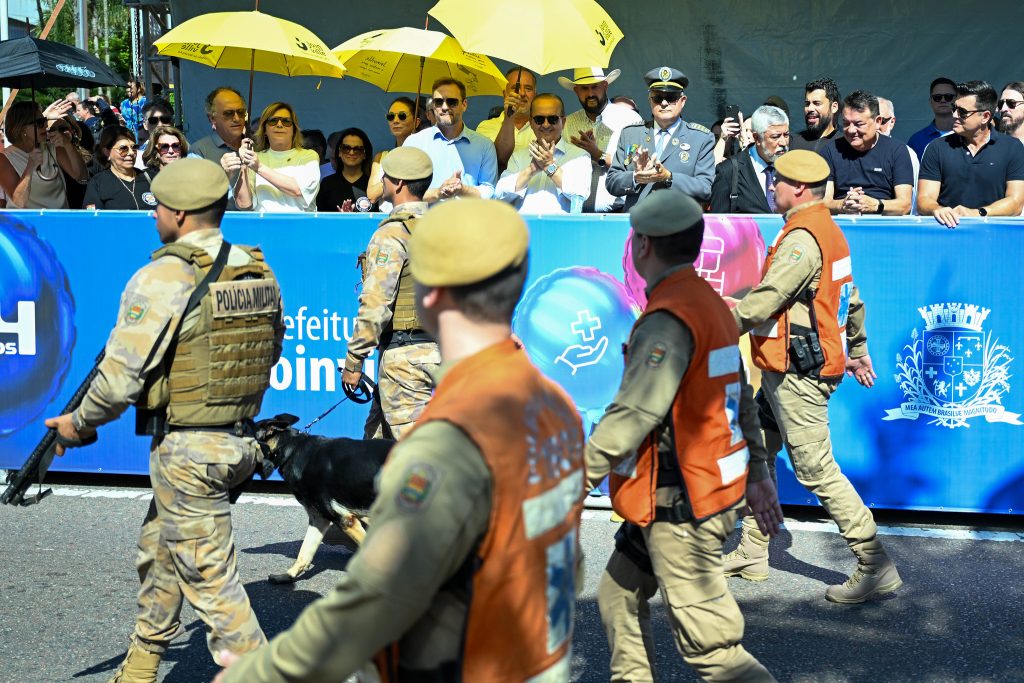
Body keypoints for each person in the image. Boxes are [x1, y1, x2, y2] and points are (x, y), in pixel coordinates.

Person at [216, 198, 585, 683]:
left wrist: (265, 670)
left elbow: (378, 587)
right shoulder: (557, 405)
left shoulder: (448, 433)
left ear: (428, 294)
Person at [45, 157, 284, 682]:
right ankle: (140, 667)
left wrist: (78, 424)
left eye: (157, 208)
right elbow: (270, 349)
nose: (155, 216)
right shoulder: (255, 267)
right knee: (163, 551)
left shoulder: (165, 273)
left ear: (176, 212)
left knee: (213, 586)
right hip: (238, 441)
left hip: (188, 451)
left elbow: (118, 380)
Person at [586, 190, 781, 682]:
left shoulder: (668, 317)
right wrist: (758, 473)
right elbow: (739, 397)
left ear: (642, 245)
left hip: (680, 501)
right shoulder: (712, 306)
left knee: (714, 652)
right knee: (619, 595)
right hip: (685, 491)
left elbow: (633, 414)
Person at [727, 149, 902, 604]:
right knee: (760, 450)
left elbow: (766, 300)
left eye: (777, 182)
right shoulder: (829, 230)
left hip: (796, 374)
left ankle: (875, 563)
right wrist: (857, 352)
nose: (771, 187)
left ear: (798, 189)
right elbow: (852, 299)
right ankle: (752, 550)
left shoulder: (802, 239)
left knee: (815, 469)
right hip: (782, 368)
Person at [340, 146, 439, 440]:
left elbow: (375, 304)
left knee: (413, 461)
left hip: (406, 358)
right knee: (376, 448)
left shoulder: (393, 233)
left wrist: (354, 361)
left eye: (385, 177)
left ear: (398, 184)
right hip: (444, 354)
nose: (381, 182)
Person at [917, 80, 1024, 227]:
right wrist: (938, 210)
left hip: (994, 237)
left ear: (985, 117)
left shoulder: (1012, 148)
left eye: (962, 112)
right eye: (954, 108)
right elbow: (924, 199)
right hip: (946, 231)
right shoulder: (936, 147)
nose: (954, 114)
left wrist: (977, 213)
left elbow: (1016, 202)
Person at [607, 66, 715, 210]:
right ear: (650, 100)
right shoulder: (631, 134)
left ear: (682, 101)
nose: (664, 103)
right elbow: (612, 182)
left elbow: (705, 188)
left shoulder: (700, 138)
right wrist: (635, 177)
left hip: (679, 224)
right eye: (658, 98)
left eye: (671, 98)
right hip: (639, 223)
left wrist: (669, 177)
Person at [560, 66, 643, 212]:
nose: (590, 93)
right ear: (576, 90)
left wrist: (598, 155)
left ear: (605, 86)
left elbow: (632, 165)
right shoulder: (568, 123)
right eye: (584, 88)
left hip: (618, 213)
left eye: (594, 87)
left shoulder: (630, 119)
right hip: (573, 212)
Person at [403, 78, 498, 202]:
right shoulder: (414, 143)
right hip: (426, 219)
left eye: (451, 102)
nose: (444, 107)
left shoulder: (484, 145)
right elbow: (404, 192)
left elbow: (489, 190)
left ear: (464, 105)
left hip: (467, 219)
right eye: (438, 102)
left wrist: (462, 190)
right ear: (432, 106)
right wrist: (437, 193)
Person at [819, 90, 914, 215]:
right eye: (846, 123)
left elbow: (905, 204)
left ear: (878, 122)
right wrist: (843, 204)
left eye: (859, 124)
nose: (851, 130)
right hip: (842, 223)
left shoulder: (897, 151)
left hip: (882, 225)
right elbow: (823, 202)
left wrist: (875, 205)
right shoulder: (830, 150)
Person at [495, 93, 591, 213]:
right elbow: (499, 194)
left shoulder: (579, 156)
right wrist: (531, 170)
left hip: (560, 227)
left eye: (553, 119)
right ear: (531, 122)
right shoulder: (519, 156)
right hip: (524, 228)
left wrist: (550, 166)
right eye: (539, 119)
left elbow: (580, 193)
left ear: (563, 121)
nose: (546, 124)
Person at [229, 101, 320, 212]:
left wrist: (259, 168)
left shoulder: (309, 156)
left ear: (294, 130)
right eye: (273, 121)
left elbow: (298, 190)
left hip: (299, 226)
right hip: (265, 226)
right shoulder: (255, 159)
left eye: (286, 121)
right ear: (265, 130)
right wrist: (244, 165)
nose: (279, 124)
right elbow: (244, 204)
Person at [0, 99, 87, 209]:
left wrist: (67, 144)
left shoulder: (51, 147)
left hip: (58, 220)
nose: (46, 125)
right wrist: (30, 167)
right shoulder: (5, 159)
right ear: (23, 129)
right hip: (30, 223)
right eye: (40, 122)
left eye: (45, 120)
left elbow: (81, 176)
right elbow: (18, 203)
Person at [710, 104, 790, 213]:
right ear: (757, 138)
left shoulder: (794, 168)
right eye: (775, 137)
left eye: (786, 135)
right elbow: (720, 223)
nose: (783, 142)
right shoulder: (729, 171)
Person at [191, 87, 248, 210]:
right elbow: (195, 198)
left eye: (241, 112)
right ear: (212, 118)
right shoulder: (199, 151)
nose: (237, 118)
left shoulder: (256, 146)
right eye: (228, 113)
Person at [476, 66, 538, 170]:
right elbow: (499, 160)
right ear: (505, 94)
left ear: (535, 95)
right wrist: (509, 117)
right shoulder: (486, 126)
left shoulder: (544, 127)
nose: (522, 93)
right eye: (515, 88)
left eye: (528, 89)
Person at [83, 126, 155, 210]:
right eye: (123, 149)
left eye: (134, 147)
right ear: (107, 152)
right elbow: (93, 219)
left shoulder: (151, 178)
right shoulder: (97, 183)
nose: (131, 153)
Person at [367, 96, 420, 205]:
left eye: (402, 116)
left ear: (416, 122)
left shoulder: (423, 157)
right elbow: (371, 196)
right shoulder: (381, 158)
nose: (395, 121)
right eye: (391, 117)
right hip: (386, 219)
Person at [316, 128, 373, 212]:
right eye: (346, 148)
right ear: (339, 152)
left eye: (357, 149)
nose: (351, 152)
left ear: (365, 154)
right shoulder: (327, 183)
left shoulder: (372, 184)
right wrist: (342, 218)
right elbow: (320, 219)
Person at [907, 77, 957, 161]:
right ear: (930, 101)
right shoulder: (916, 140)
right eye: (937, 97)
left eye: (948, 97)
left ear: (957, 100)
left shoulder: (968, 136)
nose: (943, 100)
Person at [789, 77, 841, 152]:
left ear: (834, 107)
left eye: (817, 103)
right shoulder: (793, 142)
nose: (810, 109)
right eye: (807, 104)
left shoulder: (844, 144)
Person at [134, 99, 175, 169]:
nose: (160, 124)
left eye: (165, 119)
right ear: (145, 125)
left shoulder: (188, 151)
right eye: (153, 120)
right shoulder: (137, 157)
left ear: (172, 122)